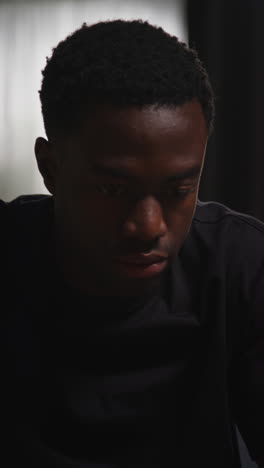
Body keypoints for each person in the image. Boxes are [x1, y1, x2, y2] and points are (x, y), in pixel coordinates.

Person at [1, 19, 264, 468]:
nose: (147, 226)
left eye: (178, 190)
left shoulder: (238, 263)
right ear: (50, 168)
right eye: (111, 190)